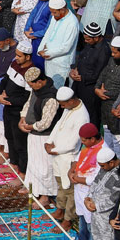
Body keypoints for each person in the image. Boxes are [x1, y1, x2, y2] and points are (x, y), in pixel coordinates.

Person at [47, 87, 92, 227]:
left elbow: (74, 143)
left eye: (63, 104)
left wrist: (56, 150)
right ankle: (60, 210)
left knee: (70, 189)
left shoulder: (82, 116)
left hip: (68, 156)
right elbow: (58, 125)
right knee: (61, 185)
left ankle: (68, 219)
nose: (62, 106)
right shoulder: (68, 108)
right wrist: (49, 141)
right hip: (58, 154)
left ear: (72, 101)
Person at [20, 67, 62, 204]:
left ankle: (46, 195)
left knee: (45, 167)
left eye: (32, 84)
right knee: (33, 163)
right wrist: (22, 118)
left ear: (40, 81)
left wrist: (31, 126)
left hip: (45, 136)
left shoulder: (51, 97)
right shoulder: (36, 90)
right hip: (32, 135)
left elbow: (46, 122)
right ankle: (33, 188)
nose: (31, 87)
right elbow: (28, 104)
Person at [0, 43, 36, 173]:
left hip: (18, 112)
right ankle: (13, 164)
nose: (16, 58)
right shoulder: (14, 64)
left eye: (19, 56)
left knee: (20, 143)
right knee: (9, 136)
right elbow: (5, 80)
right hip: (7, 108)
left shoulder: (31, 72)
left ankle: (23, 171)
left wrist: (8, 100)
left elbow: (27, 98)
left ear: (28, 57)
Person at [70, 123, 105, 240]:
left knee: (92, 223)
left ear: (93, 139)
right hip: (79, 188)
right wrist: (71, 171)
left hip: (90, 191)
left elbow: (97, 178)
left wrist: (77, 178)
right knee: (82, 217)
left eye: (84, 140)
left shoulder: (103, 152)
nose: (82, 142)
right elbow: (77, 160)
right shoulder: (86, 147)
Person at [70, 22, 111, 121]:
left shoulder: (104, 51)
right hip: (79, 85)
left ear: (96, 38)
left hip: (90, 89)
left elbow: (100, 73)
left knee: (89, 116)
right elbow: (81, 58)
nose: (85, 41)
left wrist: (83, 78)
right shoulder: (89, 44)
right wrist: (74, 69)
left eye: (88, 39)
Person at [38, 0, 80, 88]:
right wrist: (40, 49)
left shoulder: (72, 23)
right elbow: (48, 33)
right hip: (49, 62)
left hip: (61, 64)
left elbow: (66, 47)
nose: (52, 15)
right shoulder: (56, 17)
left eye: (54, 12)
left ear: (62, 10)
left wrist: (48, 53)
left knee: (58, 90)